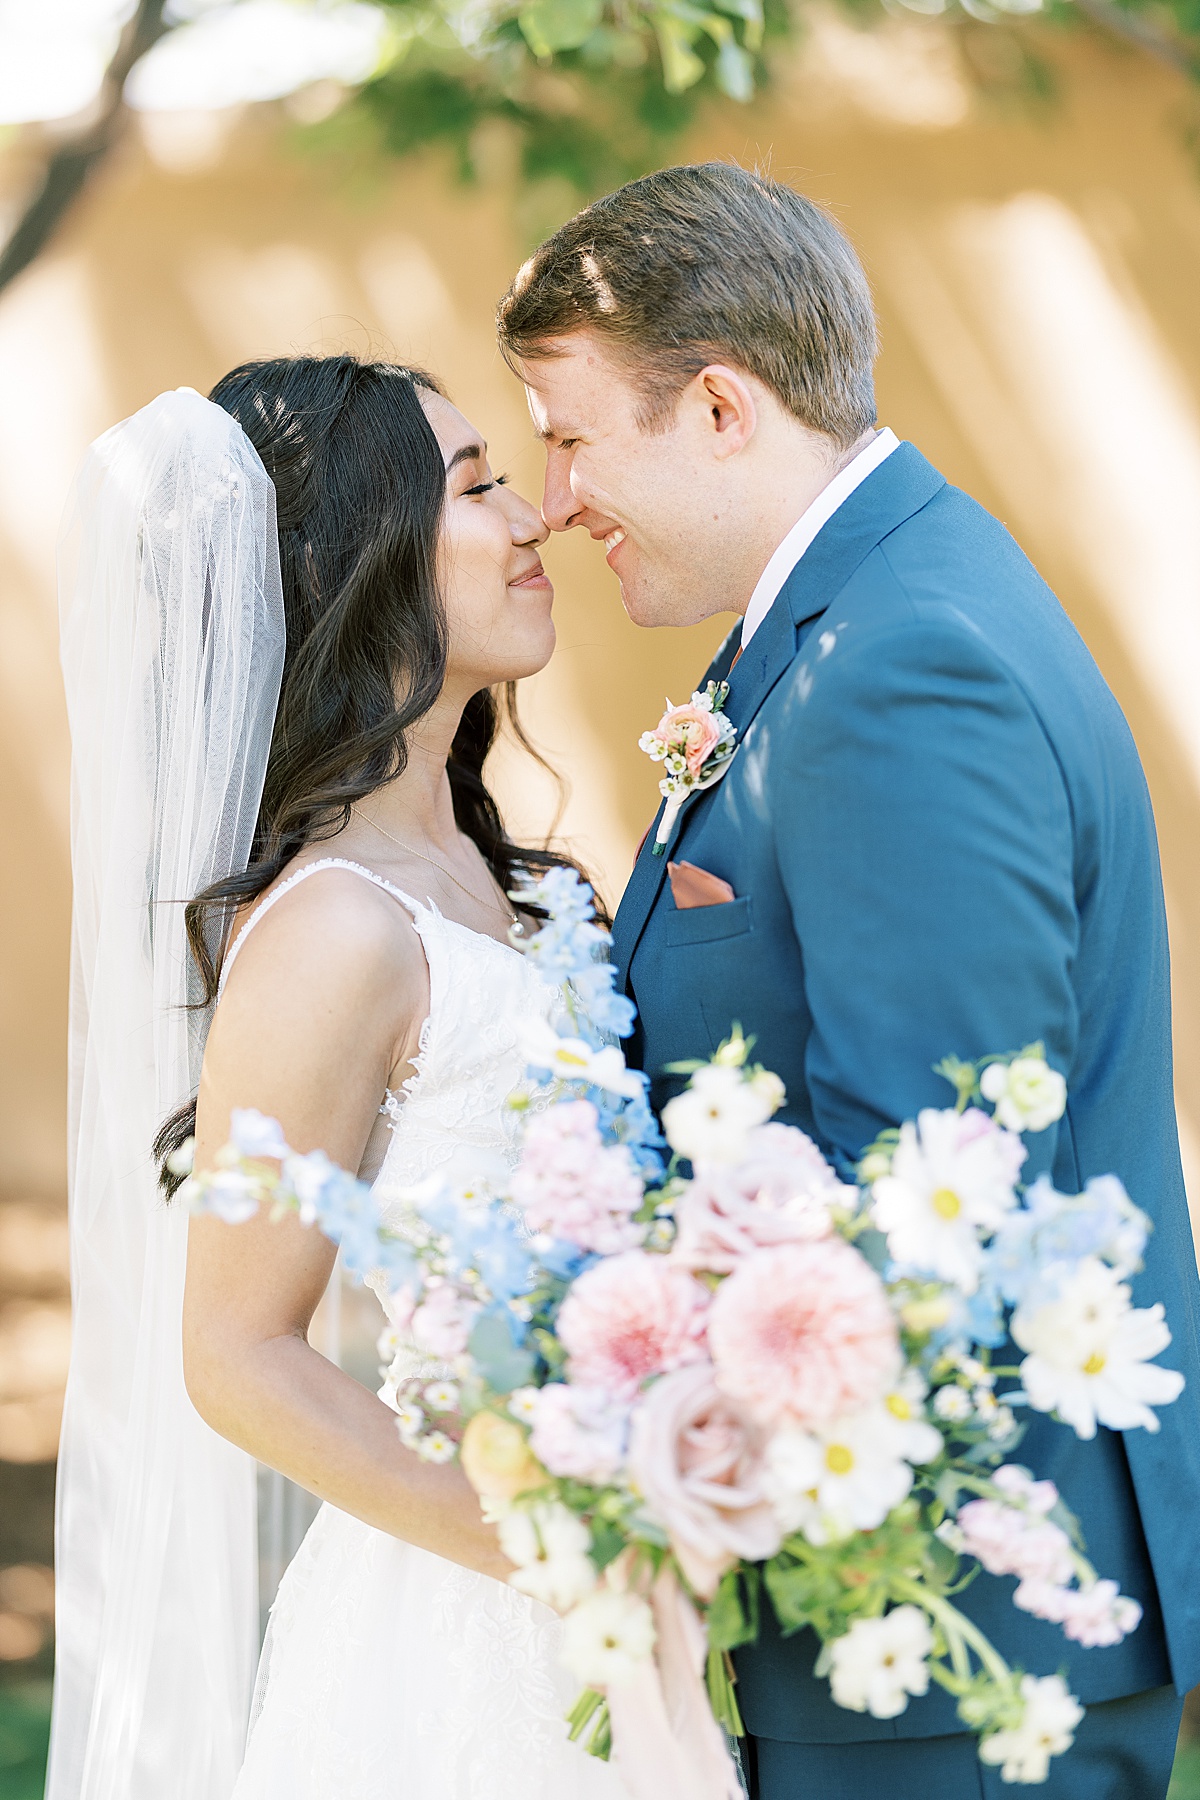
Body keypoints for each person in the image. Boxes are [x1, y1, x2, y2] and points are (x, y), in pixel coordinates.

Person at [497, 160, 1200, 1800]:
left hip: (946, 1620)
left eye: (574, 432)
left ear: (724, 409)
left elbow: (934, 1181)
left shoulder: (902, 668)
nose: (554, 496)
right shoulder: (840, 622)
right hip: (886, 1601)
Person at [52, 356, 630, 1799]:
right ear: (359, 560)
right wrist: (545, 1547)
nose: (535, 517)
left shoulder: (517, 886)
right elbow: (239, 1356)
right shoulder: (335, 930)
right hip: (460, 1623)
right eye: (482, 484)